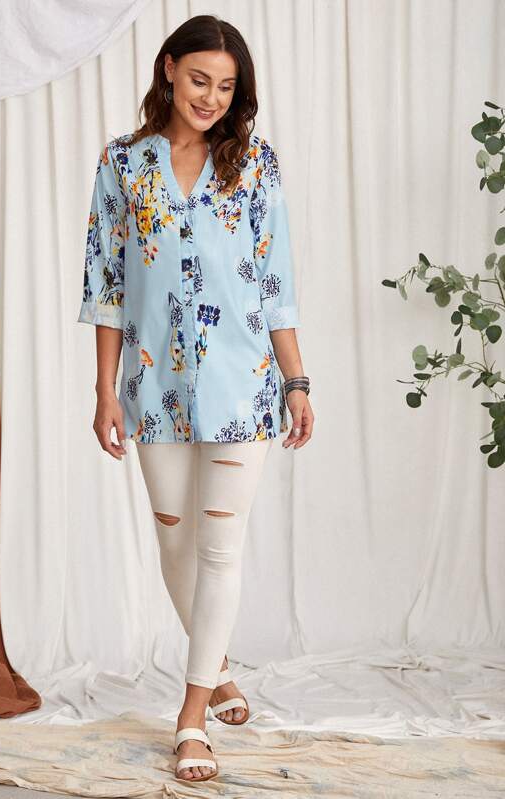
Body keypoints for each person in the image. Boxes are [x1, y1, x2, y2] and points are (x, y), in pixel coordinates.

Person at [78, 13, 314, 783]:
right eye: (200, 80)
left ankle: (190, 717)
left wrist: (297, 380)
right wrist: (105, 390)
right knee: (175, 545)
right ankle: (218, 671)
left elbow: (275, 282)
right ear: (170, 70)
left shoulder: (255, 163)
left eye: (226, 86)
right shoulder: (122, 163)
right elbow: (107, 286)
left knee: (219, 546)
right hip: (153, 389)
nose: (211, 97)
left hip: (243, 384)